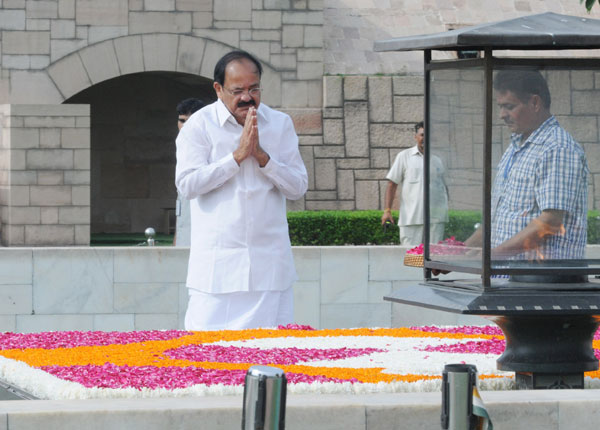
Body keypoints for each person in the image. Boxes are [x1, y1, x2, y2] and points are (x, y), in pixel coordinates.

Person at [175, 50, 308, 330]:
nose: (247, 97)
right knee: (206, 361)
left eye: (254, 89)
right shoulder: (199, 125)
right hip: (216, 276)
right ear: (218, 89)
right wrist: (236, 158)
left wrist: (263, 158)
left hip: (270, 272)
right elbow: (187, 185)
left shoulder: (279, 124)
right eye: (238, 90)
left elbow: (298, 187)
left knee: (271, 358)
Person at [466, 70, 588, 260]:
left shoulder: (556, 148)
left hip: (542, 282)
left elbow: (550, 222)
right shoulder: (517, 146)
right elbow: (498, 218)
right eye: (500, 106)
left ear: (535, 102)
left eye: (509, 106)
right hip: (511, 278)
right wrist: (457, 251)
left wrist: (491, 257)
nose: (501, 115)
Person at [381, 121, 448, 245]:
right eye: (422, 135)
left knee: (435, 259)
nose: (425, 138)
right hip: (411, 220)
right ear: (415, 137)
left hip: (435, 221)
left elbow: (443, 187)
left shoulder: (437, 160)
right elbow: (392, 184)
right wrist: (387, 211)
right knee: (411, 260)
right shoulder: (404, 156)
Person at [174, 98, 204, 246]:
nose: (185, 126)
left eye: (190, 121)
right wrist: (176, 241)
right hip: (183, 240)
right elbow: (181, 205)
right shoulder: (181, 149)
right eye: (182, 121)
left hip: (202, 241)